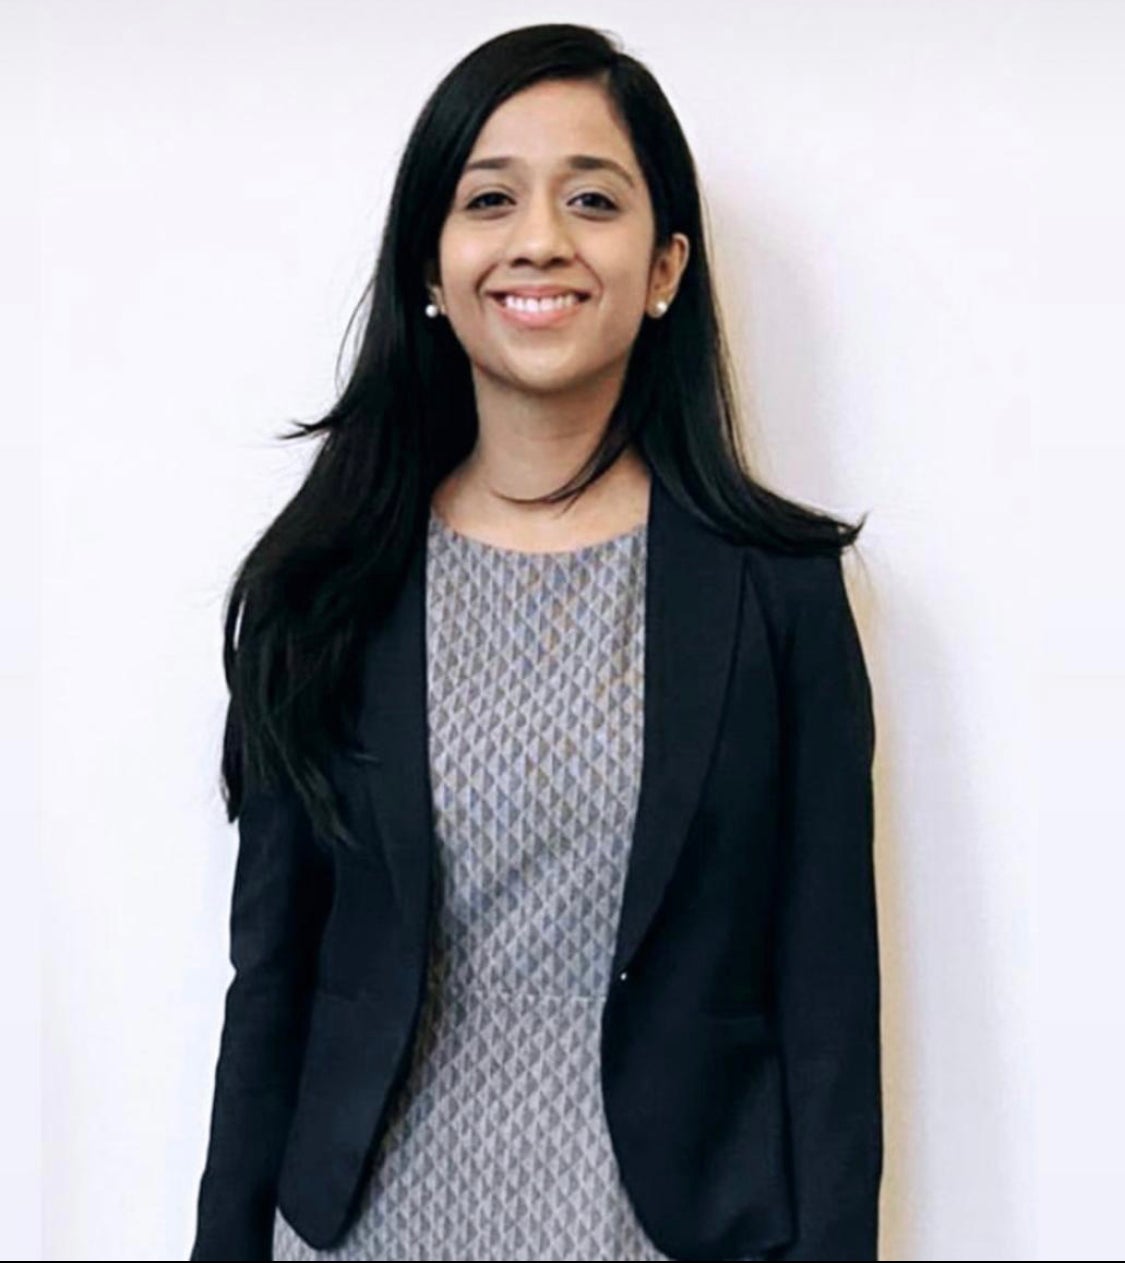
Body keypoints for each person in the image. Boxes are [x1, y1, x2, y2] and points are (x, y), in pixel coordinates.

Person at [189, 21, 882, 1263]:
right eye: (490, 198)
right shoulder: (325, 587)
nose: (541, 239)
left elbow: (827, 1002)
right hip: (362, 1235)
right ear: (432, 262)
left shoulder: (779, 595)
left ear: (664, 267)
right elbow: (272, 987)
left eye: (593, 199)